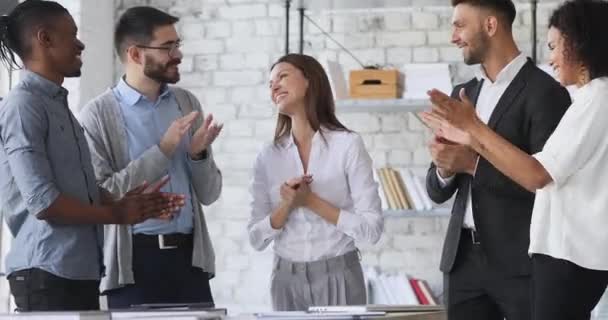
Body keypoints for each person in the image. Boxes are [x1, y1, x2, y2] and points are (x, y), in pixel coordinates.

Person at [423, 1, 608, 319]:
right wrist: (445, 163)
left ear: (490, 26)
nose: (453, 36)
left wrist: (473, 149)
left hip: (532, 260)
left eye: (459, 25)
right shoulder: (463, 94)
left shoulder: (556, 93)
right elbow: (437, 188)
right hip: (464, 259)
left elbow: (538, 177)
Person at [0, 0, 183, 312]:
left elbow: (74, 188)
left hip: (77, 272)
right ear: (45, 39)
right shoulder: (23, 106)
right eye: (72, 35)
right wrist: (116, 215)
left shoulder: (57, 105)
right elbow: (43, 202)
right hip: (46, 274)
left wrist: (120, 201)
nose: (81, 43)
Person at [78, 6, 223, 308]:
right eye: (167, 47)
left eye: (177, 45)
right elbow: (104, 193)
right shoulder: (98, 115)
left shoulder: (186, 102)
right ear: (135, 54)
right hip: (134, 266)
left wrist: (198, 155)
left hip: (190, 261)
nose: (178, 54)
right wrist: (164, 149)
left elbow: (209, 194)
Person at [247, 54, 383, 311]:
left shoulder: (348, 145)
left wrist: (310, 201)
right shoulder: (267, 156)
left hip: (340, 274)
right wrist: (287, 205)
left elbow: (371, 230)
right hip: (285, 280)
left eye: (282, 76)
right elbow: (255, 238)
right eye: (270, 83)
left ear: (311, 80)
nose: (274, 86)